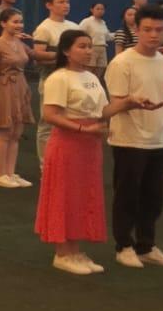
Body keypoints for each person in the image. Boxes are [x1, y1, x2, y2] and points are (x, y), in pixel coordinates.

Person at [36, 30, 122, 275]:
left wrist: (128, 103)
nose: (88, 51)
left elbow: (102, 111)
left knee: (83, 196)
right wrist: (83, 129)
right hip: (68, 145)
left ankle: (75, 250)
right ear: (66, 51)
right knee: (65, 195)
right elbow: (50, 115)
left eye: (89, 46)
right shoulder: (59, 78)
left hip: (89, 145)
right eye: (82, 46)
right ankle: (62, 252)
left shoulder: (92, 77)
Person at [103, 5, 163, 268]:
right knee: (127, 196)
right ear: (137, 30)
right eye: (147, 29)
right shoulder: (122, 63)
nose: (153, 35)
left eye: (158, 29)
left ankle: (146, 246)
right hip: (129, 140)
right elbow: (113, 105)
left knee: (154, 197)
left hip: (159, 139)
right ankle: (124, 246)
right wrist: (131, 102)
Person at [0, 8, 39, 187]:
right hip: (4, 88)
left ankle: (10, 172)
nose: (19, 25)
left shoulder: (19, 43)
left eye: (20, 22)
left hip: (20, 87)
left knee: (16, 133)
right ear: (3, 23)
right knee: (4, 133)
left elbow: (35, 55)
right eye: (15, 22)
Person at [30, 0, 79, 164]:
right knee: (47, 125)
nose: (66, 5)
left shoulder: (74, 27)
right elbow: (38, 56)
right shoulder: (44, 28)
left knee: (69, 121)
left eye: (67, 1)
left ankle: (64, 163)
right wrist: (63, 56)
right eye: (61, 2)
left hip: (72, 81)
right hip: (50, 80)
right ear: (49, 5)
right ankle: (46, 165)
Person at [79, 2, 110, 80]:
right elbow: (79, 33)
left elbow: (107, 37)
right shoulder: (87, 21)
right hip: (92, 48)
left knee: (101, 69)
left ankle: (95, 84)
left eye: (102, 9)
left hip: (103, 49)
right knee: (89, 69)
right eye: (98, 9)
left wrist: (119, 34)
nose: (100, 11)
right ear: (92, 10)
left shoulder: (103, 23)